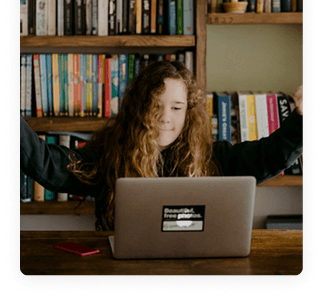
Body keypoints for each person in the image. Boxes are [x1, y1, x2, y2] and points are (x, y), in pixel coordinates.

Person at [20, 60, 303, 230]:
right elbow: (44, 162)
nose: (165, 118)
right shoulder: (111, 159)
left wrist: (303, 119)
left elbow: (270, 156)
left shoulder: (214, 158)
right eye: (156, 105)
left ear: (189, 113)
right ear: (138, 109)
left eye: (177, 108)